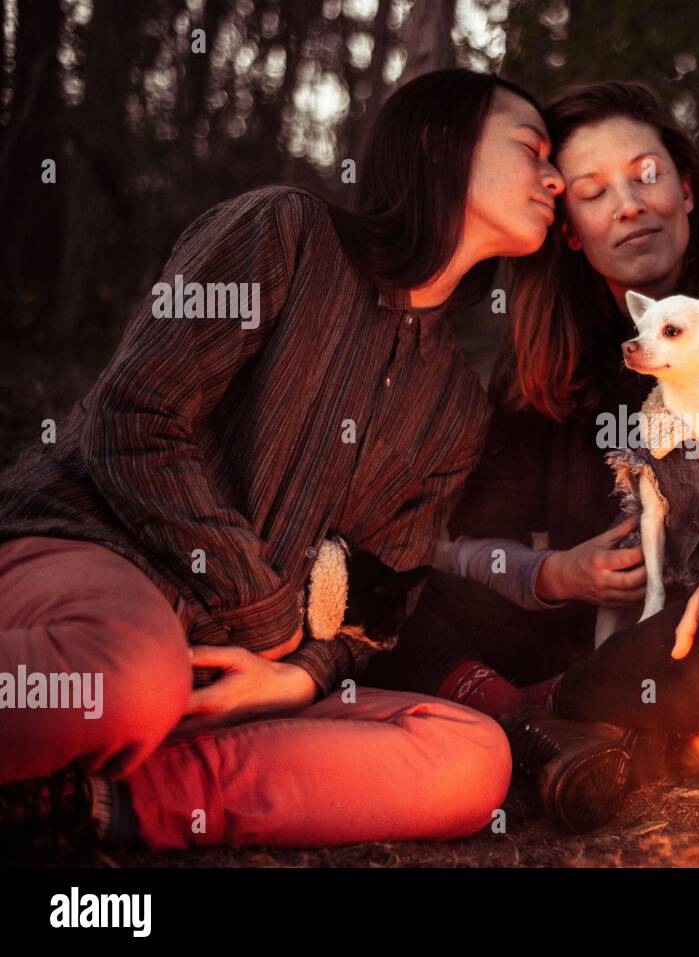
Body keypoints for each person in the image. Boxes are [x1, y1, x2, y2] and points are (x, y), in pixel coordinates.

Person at [0, 69, 564, 850]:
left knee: (472, 754)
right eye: (531, 148)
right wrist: (261, 609)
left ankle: (101, 801)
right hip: (97, 558)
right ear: (442, 141)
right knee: (127, 679)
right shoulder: (287, 232)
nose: (556, 175)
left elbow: (380, 595)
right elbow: (135, 415)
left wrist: (296, 675)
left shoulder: (455, 407)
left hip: (235, 673)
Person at [363, 82, 699, 833]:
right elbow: (462, 545)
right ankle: (557, 720)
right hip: (578, 641)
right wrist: (552, 572)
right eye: (593, 192)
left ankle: (546, 722)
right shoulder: (554, 367)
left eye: (647, 174)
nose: (630, 204)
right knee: (385, 587)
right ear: (568, 227)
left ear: (688, 188)